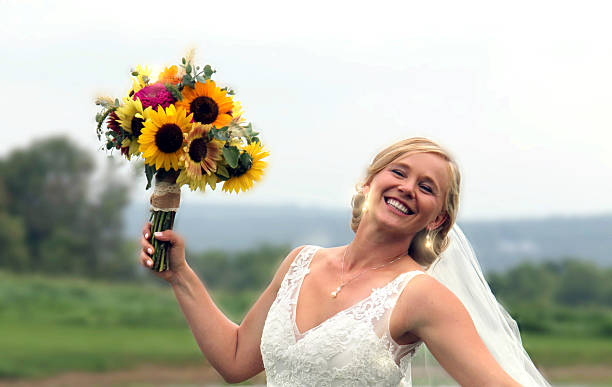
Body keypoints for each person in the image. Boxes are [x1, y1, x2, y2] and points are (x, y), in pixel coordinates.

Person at [139, 137, 550, 386]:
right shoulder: (300, 262)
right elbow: (234, 360)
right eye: (399, 173)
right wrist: (180, 276)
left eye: (426, 187)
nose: (407, 188)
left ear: (438, 218)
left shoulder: (420, 295)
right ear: (370, 183)